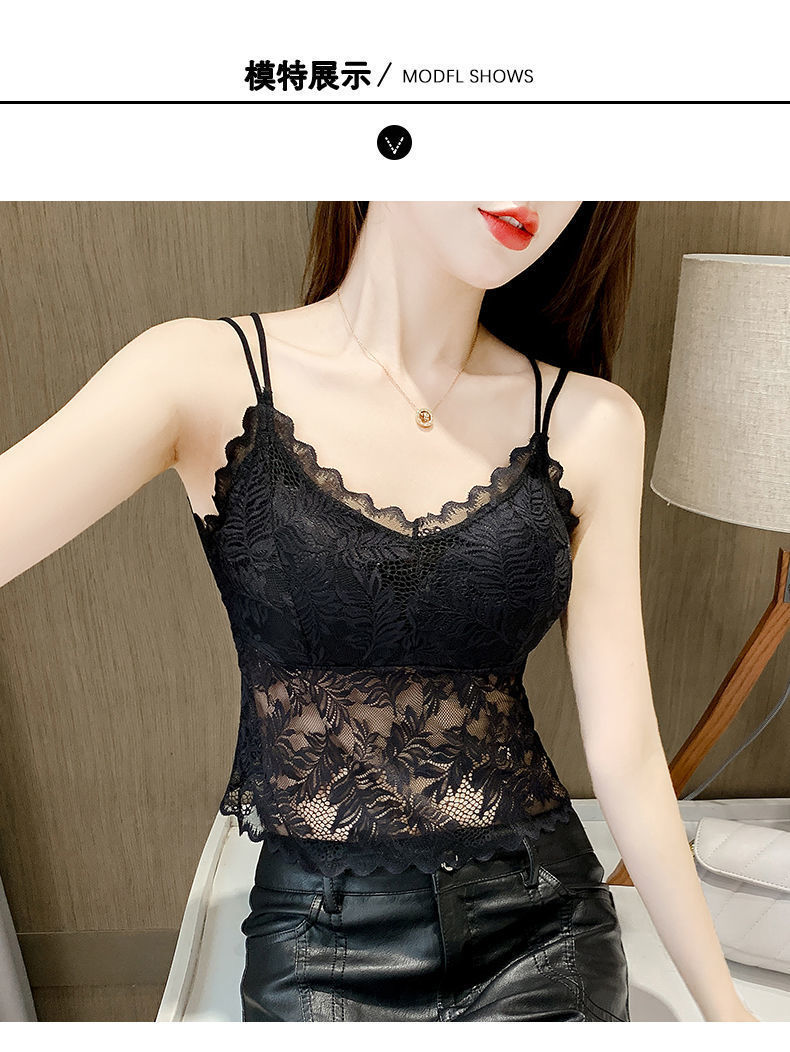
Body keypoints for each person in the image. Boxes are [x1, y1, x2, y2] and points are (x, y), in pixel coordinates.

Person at [0, 202, 757, 1023]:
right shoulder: (200, 374)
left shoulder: (593, 422)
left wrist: (728, 1016)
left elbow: (627, 754)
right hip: (319, 941)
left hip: (541, 926)